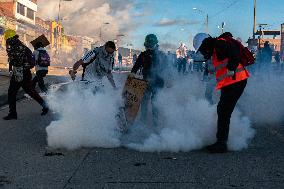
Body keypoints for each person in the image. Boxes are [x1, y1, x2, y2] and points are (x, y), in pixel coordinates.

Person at [197, 32, 250, 153]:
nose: (204, 53)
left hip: (236, 81)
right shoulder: (216, 48)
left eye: (203, 50)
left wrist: (231, 68)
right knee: (222, 110)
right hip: (231, 83)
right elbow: (221, 65)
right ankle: (221, 141)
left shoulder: (219, 43)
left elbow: (235, 52)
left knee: (224, 111)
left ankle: (221, 144)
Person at [3, 30, 49, 120]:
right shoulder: (23, 47)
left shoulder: (14, 48)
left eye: (7, 40)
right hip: (25, 73)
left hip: (19, 73)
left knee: (12, 93)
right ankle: (45, 106)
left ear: (9, 39)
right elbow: (30, 63)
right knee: (30, 92)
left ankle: (13, 114)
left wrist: (16, 68)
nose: (7, 42)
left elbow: (14, 61)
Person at [130, 34, 169, 127]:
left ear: (156, 44)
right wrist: (132, 74)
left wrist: (168, 79)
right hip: (146, 83)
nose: (149, 47)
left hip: (158, 83)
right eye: (148, 46)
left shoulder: (162, 55)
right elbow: (135, 67)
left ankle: (156, 123)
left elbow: (167, 69)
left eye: (151, 45)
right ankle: (143, 121)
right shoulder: (143, 55)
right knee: (144, 102)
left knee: (155, 103)